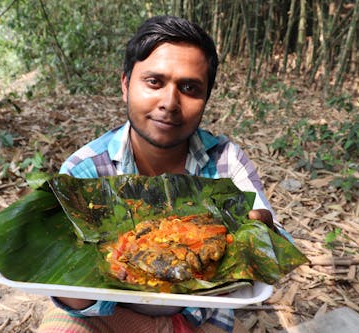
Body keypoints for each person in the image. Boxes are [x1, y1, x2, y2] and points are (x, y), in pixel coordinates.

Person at [38, 15, 287, 333]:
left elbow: (271, 244)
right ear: (126, 85)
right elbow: (70, 287)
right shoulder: (84, 172)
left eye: (189, 88)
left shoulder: (225, 162)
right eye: (154, 82)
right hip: (102, 313)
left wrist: (261, 230)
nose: (170, 103)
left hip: (202, 311)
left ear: (206, 98)